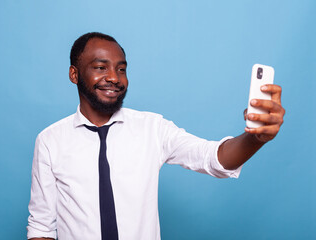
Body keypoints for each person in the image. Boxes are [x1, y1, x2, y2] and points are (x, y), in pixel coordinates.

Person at [27, 32, 285, 240]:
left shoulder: (152, 128)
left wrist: (255, 138)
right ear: (74, 75)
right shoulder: (50, 141)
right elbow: (41, 228)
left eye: (121, 69)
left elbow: (212, 158)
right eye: (100, 67)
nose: (114, 78)